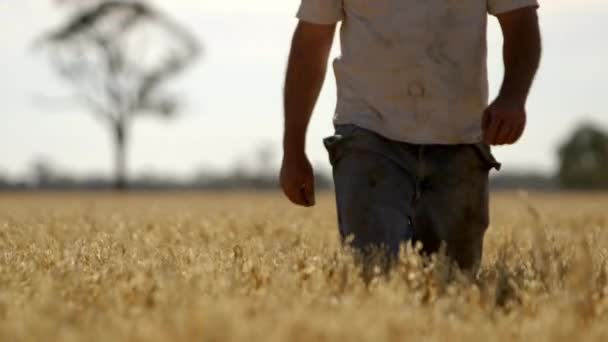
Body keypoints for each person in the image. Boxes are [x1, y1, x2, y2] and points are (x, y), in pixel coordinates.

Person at [280, 0, 541, 272]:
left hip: (459, 140)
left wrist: (513, 97)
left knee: (454, 283)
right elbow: (310, 43)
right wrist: (293, 149)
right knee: (374, 275)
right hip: (368, 135)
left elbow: (520, 20)